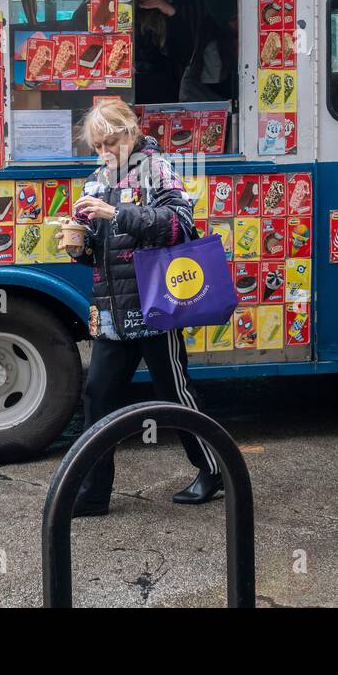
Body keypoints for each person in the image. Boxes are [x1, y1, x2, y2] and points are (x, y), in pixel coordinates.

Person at [61, 100, 222, 516]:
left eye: (110, 143)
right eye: (97, 146)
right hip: (112, 312)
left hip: (155, 306)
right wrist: (77, 245)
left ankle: (212, 469)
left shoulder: (158, 169)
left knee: (174, 394)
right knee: (97, 397)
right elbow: (98, 251)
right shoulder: (95, 181)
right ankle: (94, 493)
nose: (103, 153)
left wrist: (116, 212)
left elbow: (178, 224)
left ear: (131, 133)